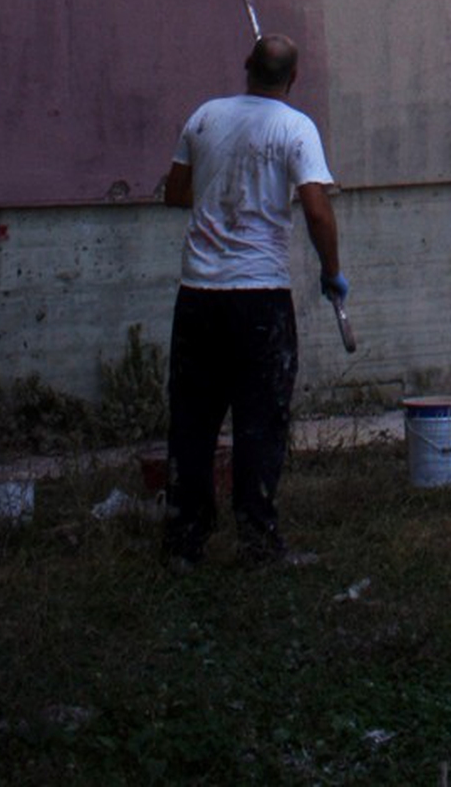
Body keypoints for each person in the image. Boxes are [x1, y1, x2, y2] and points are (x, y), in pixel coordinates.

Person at [160, 30, 346, 565]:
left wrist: (219, 186)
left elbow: (176, 193)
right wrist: (332, 272)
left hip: (198, 295)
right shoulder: (296, 128)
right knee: (261, 422)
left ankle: (184, 542)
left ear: (246, 66)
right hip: (259, 299)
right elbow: (315, 210)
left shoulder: (204, 117)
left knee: (193, 421)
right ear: (294, 78)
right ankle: (258, 542)